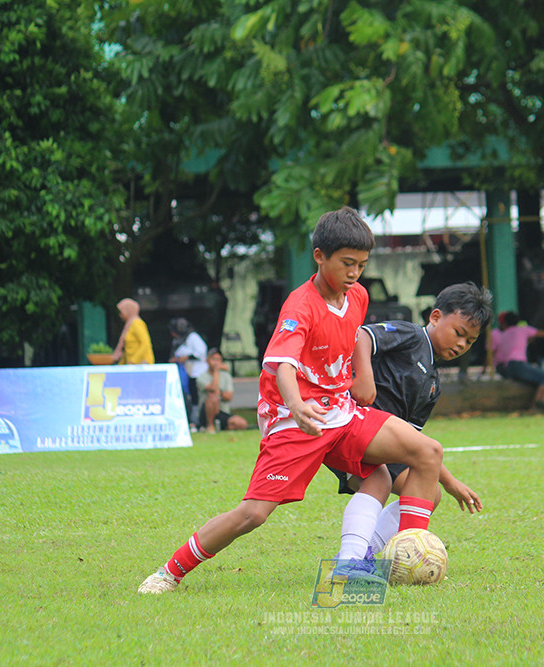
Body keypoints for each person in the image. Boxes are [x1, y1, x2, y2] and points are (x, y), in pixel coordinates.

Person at [138, 206, 444, 594]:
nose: (354, 273)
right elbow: (281, 364)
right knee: (253, 514)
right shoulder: (299, 307)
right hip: (296, 420)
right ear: (319, 256)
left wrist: (359, 374)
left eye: (362, 265)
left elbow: (350, 339)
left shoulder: (358, 295)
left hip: (341, 412)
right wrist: (297, 406)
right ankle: (170, 571)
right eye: (347, 263)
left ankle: (380, 559)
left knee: (422, 455)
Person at [329, 282, 493, 564]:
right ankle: (404, 555)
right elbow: (362, 336)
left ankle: (366, 553)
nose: (461, 344)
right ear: (436, 316)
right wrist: (365, 377)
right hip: (353, 426)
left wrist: (451, 483)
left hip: (384, 444)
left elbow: (415, 444)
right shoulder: (411, 335)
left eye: (470, 341)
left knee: (431, 492)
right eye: (458, 333)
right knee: (383, 481)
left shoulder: (432, 384)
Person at [489, 311, 544, 411]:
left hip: (507, 367)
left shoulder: (503, 335)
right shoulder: (523, 330)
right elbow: (543, 334)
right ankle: (538, 403)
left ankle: (538, 405)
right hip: (518, 364)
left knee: (536, 380)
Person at [196, 348, 248, 433]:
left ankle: (221, 427)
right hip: (206, 412)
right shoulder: (201, 377)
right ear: (207, 360)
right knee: (213, 397)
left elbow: (229, 396)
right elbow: (213, 388)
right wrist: (216, 371)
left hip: (222, 411)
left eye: (218, 360)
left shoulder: (226, 376)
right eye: (213, 359)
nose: (216, 363)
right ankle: (210, 425)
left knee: (242, 424)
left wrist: (219, 393)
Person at [169, 317, 208, 404]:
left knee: (195, 394)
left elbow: (201, 352)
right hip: (184, 371)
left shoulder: (193, 337)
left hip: (196, 371)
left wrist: (186, 357)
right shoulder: (178, 340)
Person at [112, 298, 154, 365]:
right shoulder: (129, 325)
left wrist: (133, 361)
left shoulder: (137, 324)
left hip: (142, 365)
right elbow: (127, 349)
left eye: (121, 312)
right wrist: (120, 365)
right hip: (133, 365)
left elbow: (145, 344)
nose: (120, 315)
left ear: (128, 311)